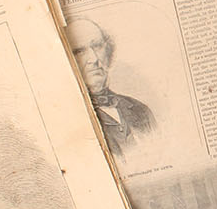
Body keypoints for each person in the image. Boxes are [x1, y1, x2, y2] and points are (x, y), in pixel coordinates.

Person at [66, 18, 156, 159]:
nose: (94, 59)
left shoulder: (141, 110)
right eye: (79, 51)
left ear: (108, 51)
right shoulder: (68, 119)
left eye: (97, 46)